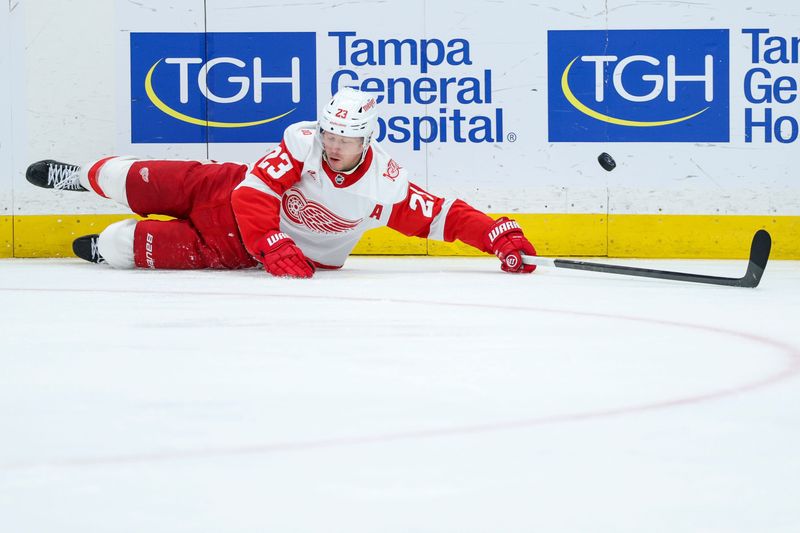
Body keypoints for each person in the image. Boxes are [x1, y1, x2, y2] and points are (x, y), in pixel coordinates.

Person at [26, 87, 537, 278]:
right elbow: (253, 193)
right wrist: (272, 242)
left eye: (346, 139)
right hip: (220, 192)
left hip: (227, 249)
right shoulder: (301, 141)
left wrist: (496, 235)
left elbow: (442, 216)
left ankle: (102, 247)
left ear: (366, 140)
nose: (334, 146)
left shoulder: (382, 186)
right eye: (330, 134)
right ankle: (82, 179)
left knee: (124, 244)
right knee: (131, 177)